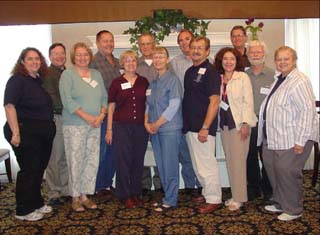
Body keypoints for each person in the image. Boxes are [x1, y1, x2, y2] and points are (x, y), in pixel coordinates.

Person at [258, 46, 319, 221]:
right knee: (272, 168)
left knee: (287, 171)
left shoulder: (299, 81)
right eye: (279, 59)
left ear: (294, 60)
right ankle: (280, 202)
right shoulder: (280, 78)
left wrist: (300, 141)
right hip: (275, 136)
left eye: (286, 59)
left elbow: (307, 112)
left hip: (292, 137)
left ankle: (293, 208)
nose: (282, 62)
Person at [3, 47, 56, 221]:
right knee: (29, 170)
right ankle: (23, 210)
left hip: (41, 132)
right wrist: (16, 133)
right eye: (30, 59)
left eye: (37, 59)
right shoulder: (17, 80)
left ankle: (36, 202)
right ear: (22, 62)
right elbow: (9, 106)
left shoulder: (37, 80)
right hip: (24, 131)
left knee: (38, 169)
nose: (34, 62)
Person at [59, 42, 108, 212]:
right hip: (75, 125)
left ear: (90, 56)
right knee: (76, 161)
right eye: (79, 54)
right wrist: (88, 117)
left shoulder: (96, 74)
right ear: (74, 57)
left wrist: (101, 115)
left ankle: (85, 195)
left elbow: (104, 97)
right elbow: (67, 101)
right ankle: (74, 196)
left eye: (85, 54)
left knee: (91, 160)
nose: (82, 58)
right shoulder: (67, 75)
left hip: (95, 124)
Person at [214, 47, 257, 211]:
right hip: (224, 126)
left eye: (232, 59)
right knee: (231, 162)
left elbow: (248, 101)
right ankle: (235, 193)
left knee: (238, 163)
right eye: (225, 59)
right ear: (221, 61)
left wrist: (246, 123)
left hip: (239, 126)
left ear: (237, 61)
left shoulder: (243, 77)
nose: (229, 62)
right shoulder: (218, 78)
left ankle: (240, 198)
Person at [183, 36, 222, 214]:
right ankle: (208, 193)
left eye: (200, 48)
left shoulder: (211, 71)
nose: (196, 50)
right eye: (193, 47)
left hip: (203, 128)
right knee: (199, 165)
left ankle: (214, 199)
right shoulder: (190, 71)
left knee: (207, 165)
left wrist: (205, 127)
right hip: (191, 127)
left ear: (207, 51)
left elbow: (215, 101)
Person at [106, 50, 149, 208]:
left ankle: (135, 192)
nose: (130, 63)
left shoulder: (144, 81)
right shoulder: (116, 83)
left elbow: (148, 104)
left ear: (137, 63)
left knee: (138, 160)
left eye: (133, 60)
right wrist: (109, 130)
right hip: (121, 127)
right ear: (122, 63)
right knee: (123, 161)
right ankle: (124, 194)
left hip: (140, 128)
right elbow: (111, 107)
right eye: (127, 60)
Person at [145, 47, 182, 211]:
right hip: (154, 130)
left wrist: (157, 123)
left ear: (167, 60)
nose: (158, 60)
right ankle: (167, 195)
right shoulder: (153, 82)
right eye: (155, 57)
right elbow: (148, 105)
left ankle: (171, 199)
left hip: (169, 128)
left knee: (170, 164)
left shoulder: (173, 80)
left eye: (161, 57)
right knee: (161, 165)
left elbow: (174, 106)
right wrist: (147, 122)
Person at [170, 29, 201, 195]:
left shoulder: (206, 61)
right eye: (180, 40)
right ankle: (190, 186)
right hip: (181, 113)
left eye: (187, 39)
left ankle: (203, 184)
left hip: (200, 114)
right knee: (185, 153)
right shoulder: (174, 63)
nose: (184, 43)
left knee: (201, 152)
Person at [90, 30, 121, 197]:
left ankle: (108, 183)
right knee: (101, 151)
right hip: (102, 114)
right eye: (105, 41)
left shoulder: (116, 62)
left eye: (111, 40)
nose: (109, 44)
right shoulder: (93, 62)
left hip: (116, 115)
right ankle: (98, 184)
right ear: (97, 43)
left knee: (112, 151)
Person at [245, 40, 273, 201]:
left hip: (267, 123)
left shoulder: (273, 75)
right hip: (249, 123)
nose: (255, 55)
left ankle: (268, 188)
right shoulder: (243, 75)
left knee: (267, 157)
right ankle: (254, 188)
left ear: (264, 54)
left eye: (258, 52)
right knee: (250, 157)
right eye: (252, 52)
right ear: (248, 55)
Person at [43, 43, 69, 206]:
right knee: (55, 157)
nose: (59, 56)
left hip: (69, 119)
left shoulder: (66, 73)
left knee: (65, 156)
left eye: (62, 53)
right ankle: (54, 192)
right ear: (50, 56)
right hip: (57, 118)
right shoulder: (48, 74)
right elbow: (53, 99)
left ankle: (65, 189)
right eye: (55, 54)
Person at [136, 33, 162, 195]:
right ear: (139, 46)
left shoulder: (163, 63)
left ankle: (160, 183)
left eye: (149, 43)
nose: (146, 47)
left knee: (160, 150)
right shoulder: (134, 64)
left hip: (159, 115)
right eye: (142, 44)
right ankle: (144, 183)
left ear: (154, 44)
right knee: (142, 150)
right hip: (139, 115)